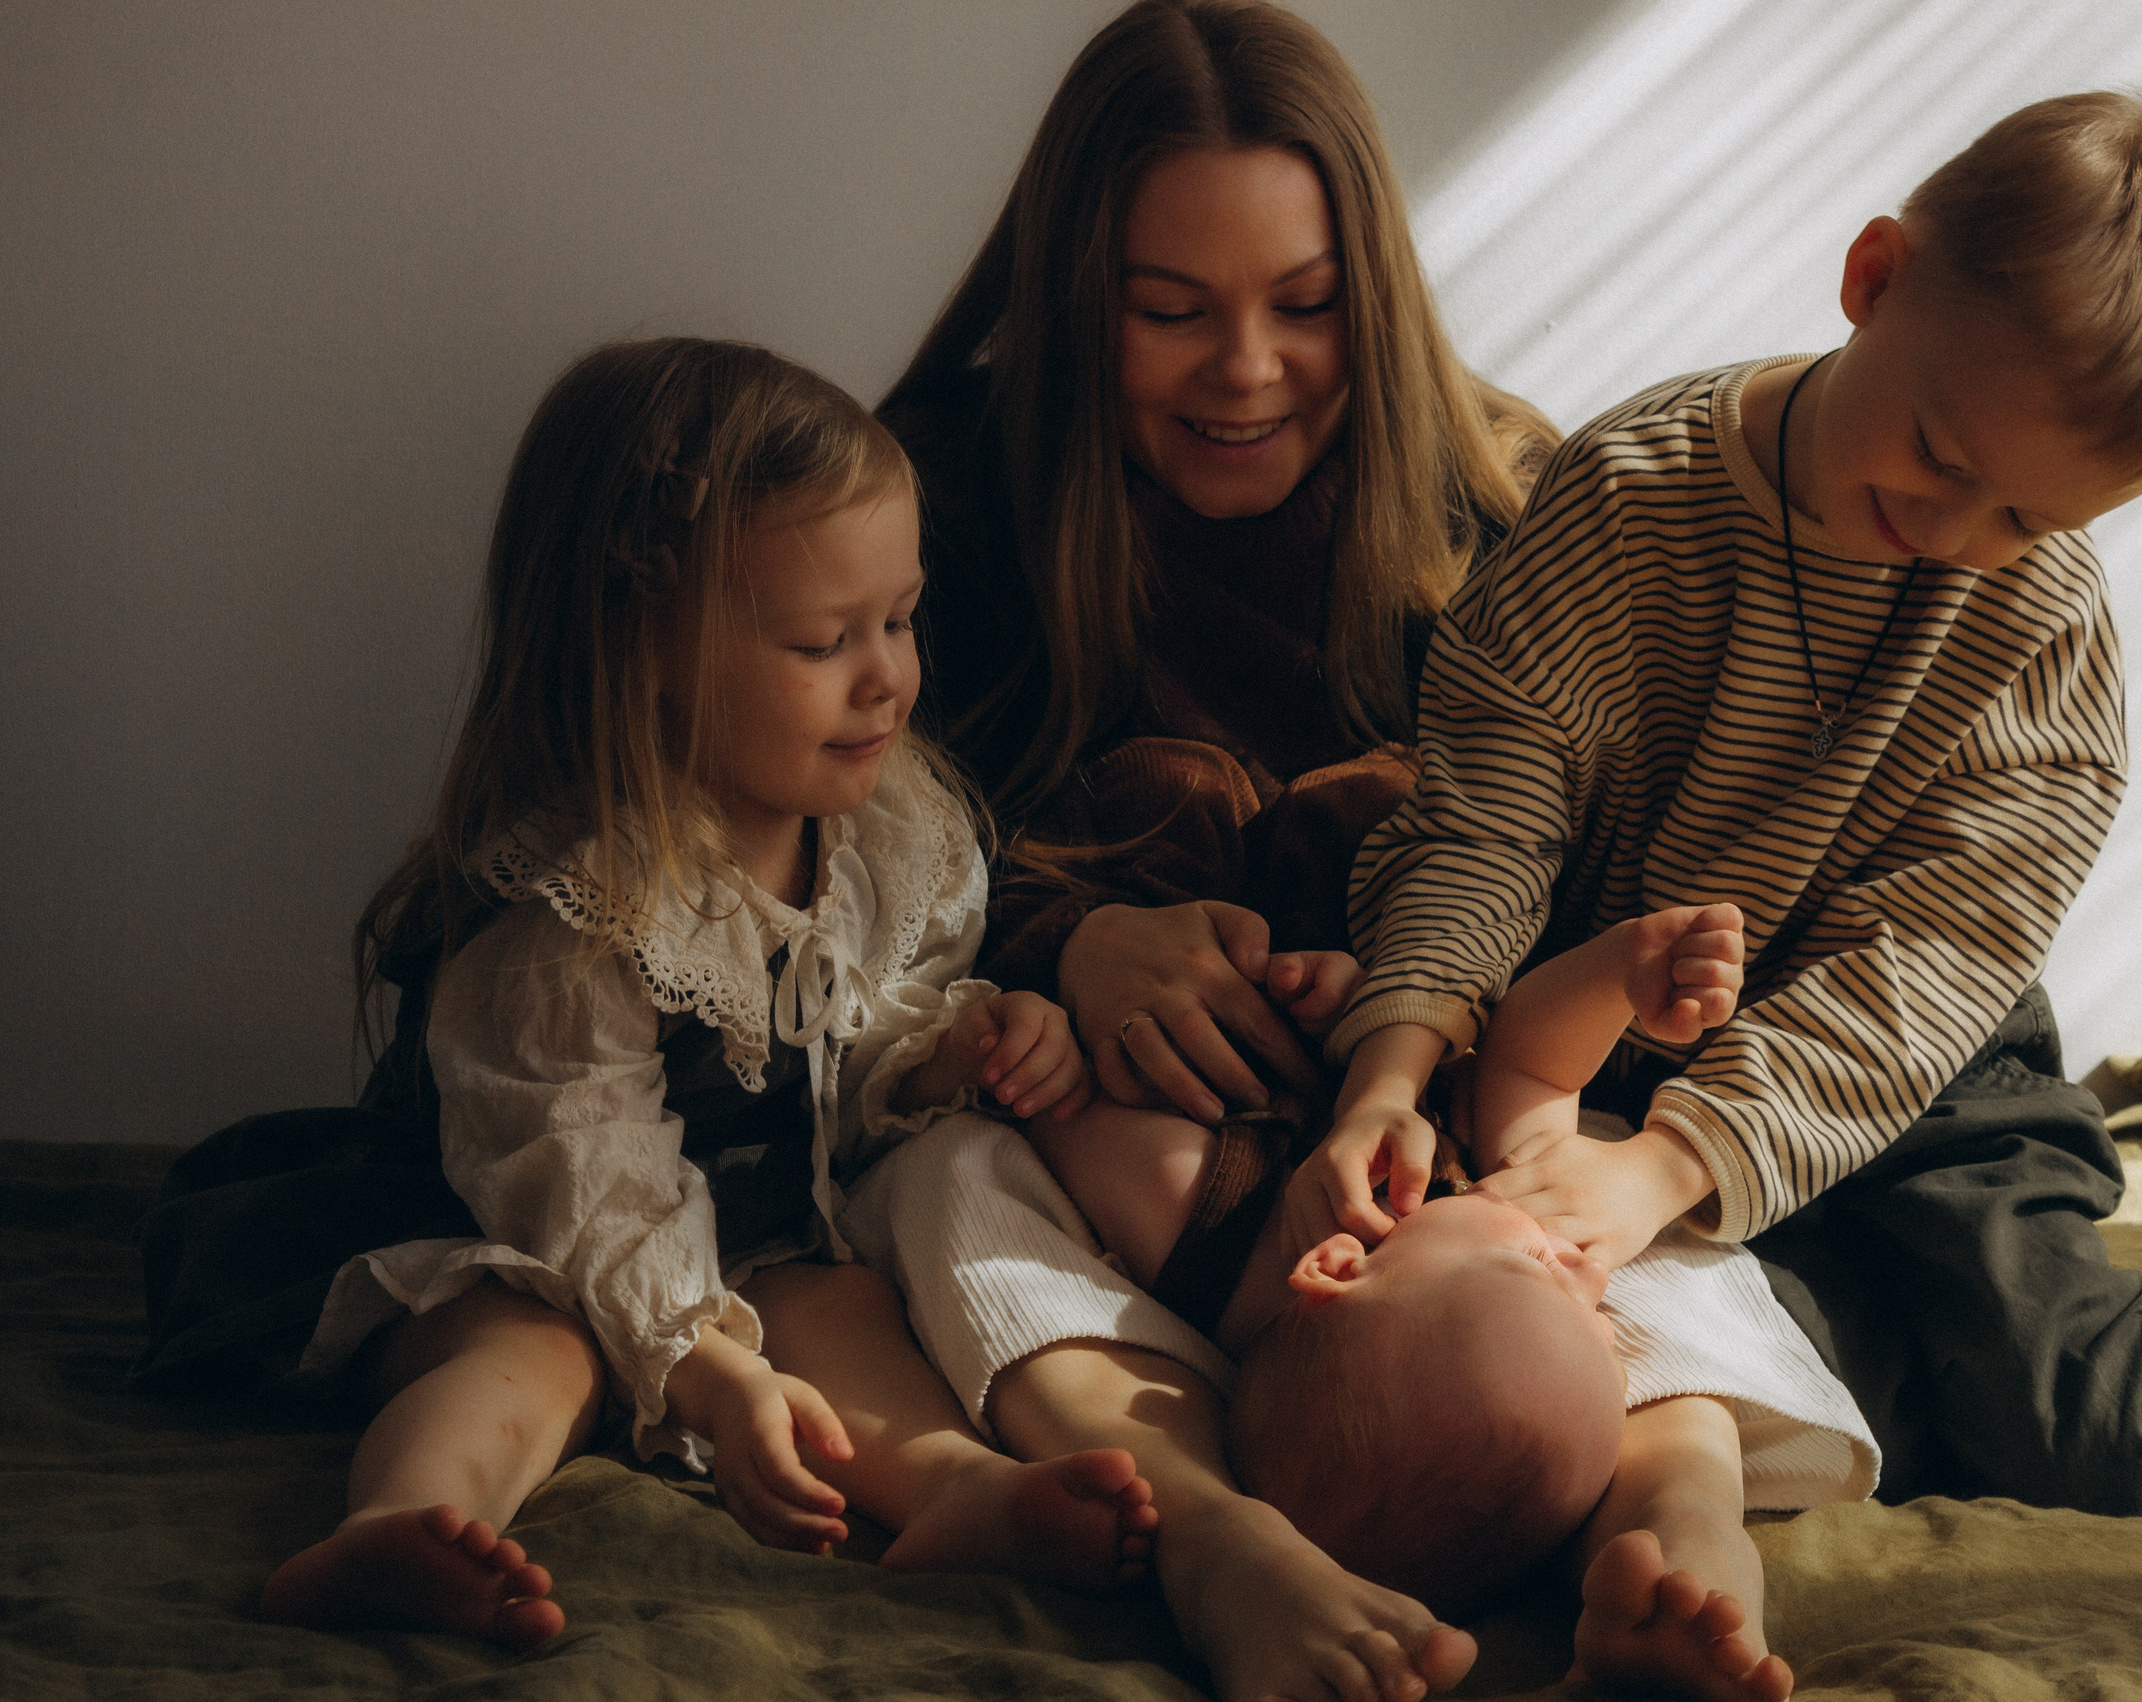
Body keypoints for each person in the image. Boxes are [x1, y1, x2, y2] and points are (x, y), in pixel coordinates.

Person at [1317, 87, 2142, 1682]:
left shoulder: (2043, 640)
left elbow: (1927, 974)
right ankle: (1723, 1352)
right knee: (1419, 1306)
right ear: (1874, 275)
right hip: (1595, 992)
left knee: (2104, 1438)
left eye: (2028, 516)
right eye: (1942, 458)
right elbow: (1484, 810)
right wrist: (1393, 1059)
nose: (1955, 535)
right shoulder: (1629, 494)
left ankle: (1783, 1309)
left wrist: (1672, 1170)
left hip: (1910, 1035)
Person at [133, 338, 1157, 1649]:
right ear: (646, 649)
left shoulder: (884, 828)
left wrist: (954, 1047)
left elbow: (859, 1026)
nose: (886, 674)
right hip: (514, 1227)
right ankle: (399, 1520)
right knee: (530, 1346)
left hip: (735, 1239)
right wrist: (711, 1369)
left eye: (898, 619)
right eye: (820, 639)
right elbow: (581, 1165)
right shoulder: (582, 906)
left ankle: (963, 1489)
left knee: (835, 1297)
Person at [858, 4, 1575, 1700]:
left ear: (1376, 295)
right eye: (1168, 311)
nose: (1246, 371)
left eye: (1308, 307)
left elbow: (1579, 860)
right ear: (1063, 301)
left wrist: (1413, 1016)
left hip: (1406, 1192)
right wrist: (1055, 945)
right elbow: (806, 859)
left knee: (1631, 1267)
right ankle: (1203, 1530)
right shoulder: (935, 490)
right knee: (927, 1200)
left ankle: (1658, 1531)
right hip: (1067, 1150)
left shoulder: (1508, 492)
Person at [1019, 902, 1859, 1697]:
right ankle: (1689, 1543)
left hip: (1247, 1060)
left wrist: (1044, 1056)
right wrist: (1616, 977)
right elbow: (1533, 1065)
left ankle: (1669, 1543)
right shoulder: (1504, 1203)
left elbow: (1056, 1111)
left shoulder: (1213, 1228)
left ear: (1340, 1268)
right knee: (1675, 1312)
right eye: (1597, 1324)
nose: (1590, 1272)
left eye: (1540, 1268)